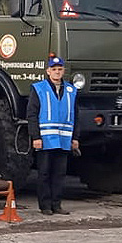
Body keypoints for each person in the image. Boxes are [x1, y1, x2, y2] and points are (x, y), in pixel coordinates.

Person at [27, 55, 80, 215]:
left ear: (63, 71)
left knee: (59, 174)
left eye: (60, 69)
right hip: (45, 139)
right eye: (54, 69)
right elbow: (32, 114)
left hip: (64, 140)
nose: (57, 72)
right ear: (48, 71)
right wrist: (35, 137)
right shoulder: (39, 88)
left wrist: (75, 138)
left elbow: (76, 116)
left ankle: (57, 205)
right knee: (44, 173)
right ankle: (45, 206)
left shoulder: (71, 90)